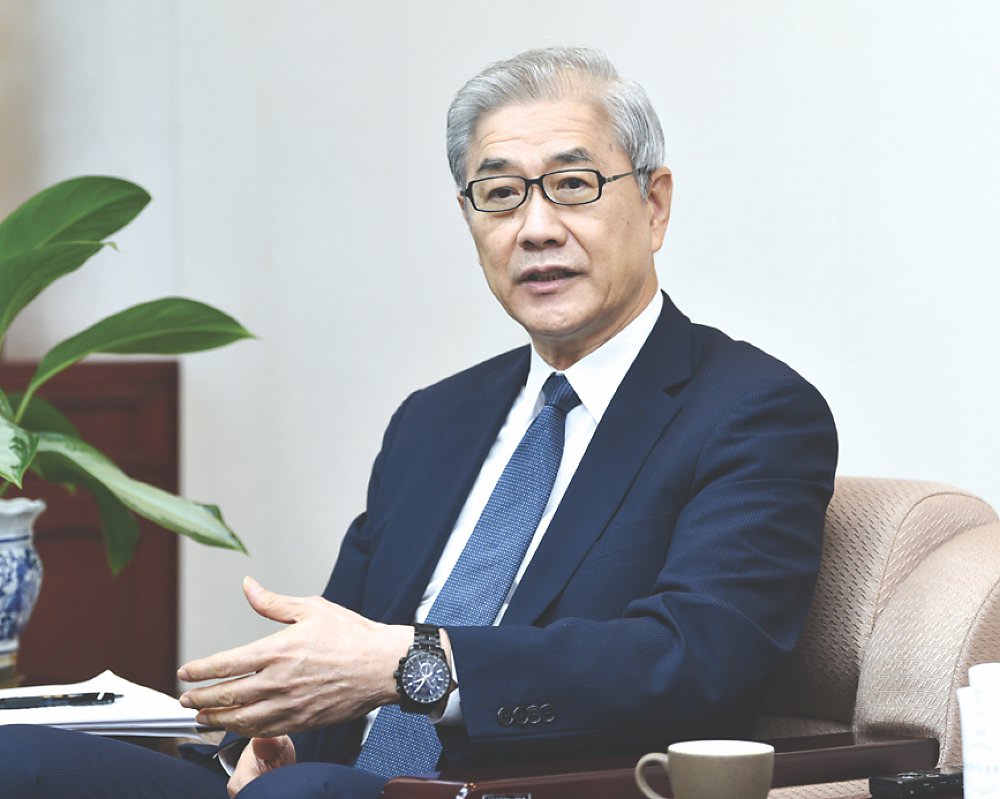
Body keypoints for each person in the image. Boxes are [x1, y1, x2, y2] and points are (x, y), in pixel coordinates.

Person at [0, 46, 837, 799]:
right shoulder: (435, 420)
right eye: (499, 195)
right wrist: (268, 735)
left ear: (654, 205)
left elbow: (692, 658)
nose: (536, 228)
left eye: (574, 185)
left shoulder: (751, 411)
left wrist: (417, 665)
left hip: (518, 786)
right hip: (316, 782)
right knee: (17, 757)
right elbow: (342, 653)